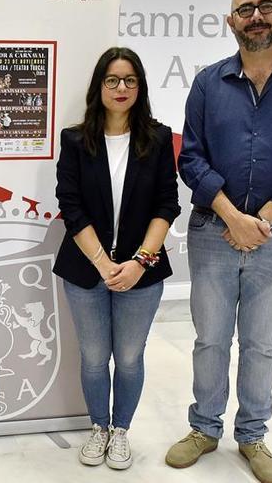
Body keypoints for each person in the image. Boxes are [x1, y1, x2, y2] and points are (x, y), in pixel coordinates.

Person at [165, 0, 272, 483]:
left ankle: (253, 436)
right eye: (245, 9)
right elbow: (191, 158)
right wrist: (233, 217)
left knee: (261, 344)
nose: (255, 17)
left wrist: (263, 218)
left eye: (265, 6)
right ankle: (203, 429)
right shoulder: (207, 83)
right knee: (210, 340)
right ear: (230, 21)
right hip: (213, 233)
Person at [53, 47, 180, 471]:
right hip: (84, 269)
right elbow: (69, 206)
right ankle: (98, 428)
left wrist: (140, 261)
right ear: (99, 86)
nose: (121, 88)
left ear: (140, 87)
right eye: (112, 80)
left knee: (128, 357)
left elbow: (167, 205)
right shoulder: (74, 139)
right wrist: (102, 264)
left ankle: (121, 430)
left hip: (141, 272)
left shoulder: (159, 139)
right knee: (93, 357)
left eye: (129, 80)